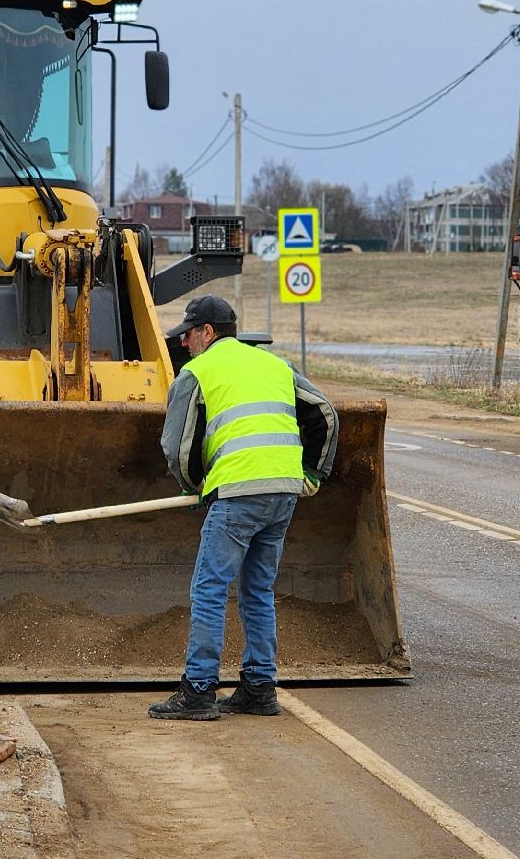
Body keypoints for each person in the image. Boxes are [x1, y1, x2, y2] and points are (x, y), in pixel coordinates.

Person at [149, 295, 339, 721]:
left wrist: (196, 485)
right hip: (284, 492)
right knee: (257, 591)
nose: (184, 345)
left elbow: (176, 447)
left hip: (238, 494)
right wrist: (313, 473)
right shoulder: (276, 365)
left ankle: (198, 690)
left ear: (207, 333)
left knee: (209, 589)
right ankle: (258, 687)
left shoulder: (197, 372)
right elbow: (325, 413)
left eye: (189, 335)